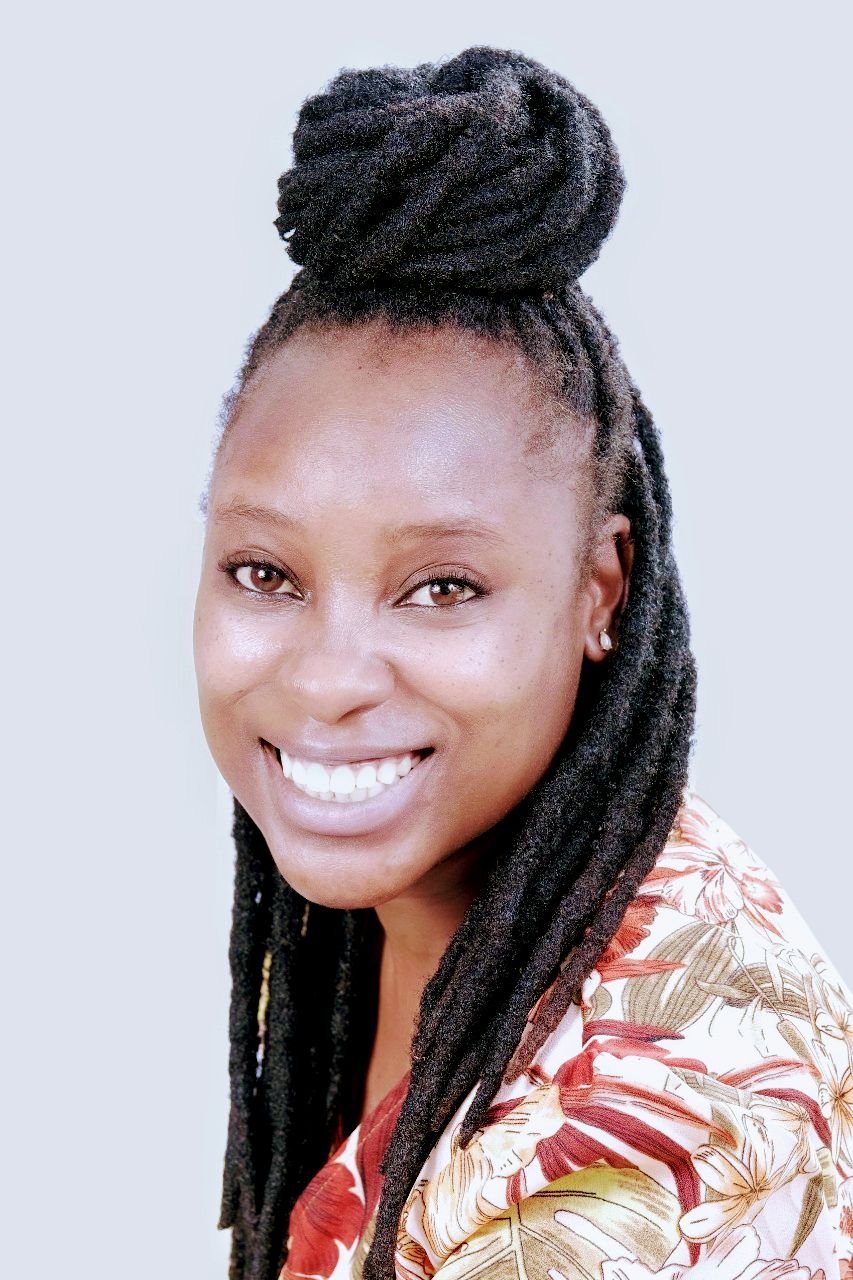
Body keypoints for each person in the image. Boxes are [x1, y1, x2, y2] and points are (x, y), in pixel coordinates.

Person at [192, 45, 853, 1280]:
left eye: (442, 587)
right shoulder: (413, 906)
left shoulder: (643, 1139)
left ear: (600, 588)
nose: (328, 677)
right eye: (266, 572)